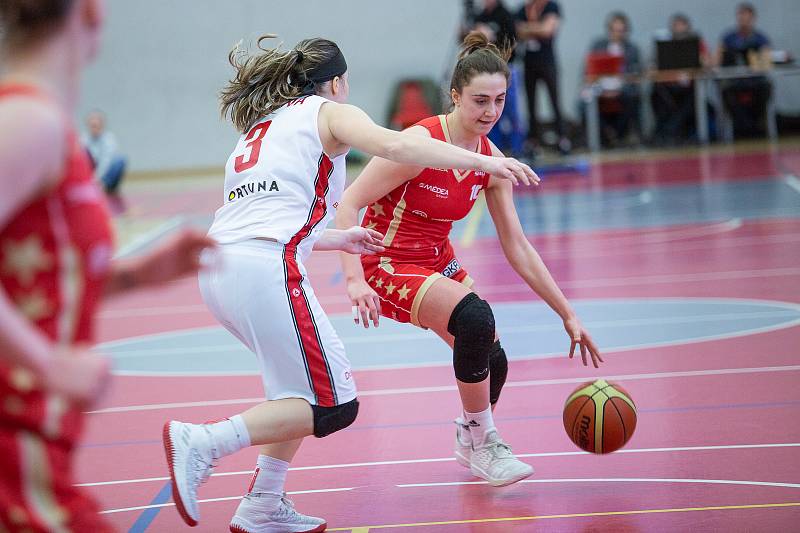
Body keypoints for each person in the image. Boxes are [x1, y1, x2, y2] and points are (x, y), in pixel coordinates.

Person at [161, 34, 536, 532]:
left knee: (294, 395)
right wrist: (488, 161)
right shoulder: (329, 111)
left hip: (222, 269)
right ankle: (203, 442)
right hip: (264, 269)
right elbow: (402, 143)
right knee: (334, 403)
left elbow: (265, 216)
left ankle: (263, 503)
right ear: (336, 82)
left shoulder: (265, 126)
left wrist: (340, 240)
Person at [336, 32, 601, 491]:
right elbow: (348, 203)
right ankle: (483, 442)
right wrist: (353, 278)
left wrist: (568, 313)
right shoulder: (418, 144)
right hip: (386, 260)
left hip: (437, 260)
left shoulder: (491, 161)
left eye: (499, 100)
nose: (490, 112)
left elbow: (517, 246)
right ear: (455, 95)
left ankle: (469, 433)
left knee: (492, 355)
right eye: (479, 100)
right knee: (476, 320)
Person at [0, 1, 216, 531]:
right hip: (15, 447)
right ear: (91, 12)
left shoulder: (46, 122)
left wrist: (136, 275)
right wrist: (48, 364)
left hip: (38, 448)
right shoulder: (28, 121)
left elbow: (35, 282)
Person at [463, 0, 525, 157]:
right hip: (486, 71)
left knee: (511, 111)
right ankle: (492, 149)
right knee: (488, 113)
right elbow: (468, 42)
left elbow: (513, 39)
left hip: (506, 68)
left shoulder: (505, 14)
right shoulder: (479, 15)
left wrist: (492, 36)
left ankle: (518, 148)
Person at [515, 0, 571, 155]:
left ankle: (562, 138)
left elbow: (548, 30)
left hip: (547, 61)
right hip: (529, 61)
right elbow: (517, 31)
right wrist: (538, 28)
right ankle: (533, 140)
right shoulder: (523, 9)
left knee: (554, 100)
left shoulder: (551, 6)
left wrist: (528, 28)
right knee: (531, 102)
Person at [650, 13, 711, 145]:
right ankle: (663, 132)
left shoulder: (696, 43)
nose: (679, 28)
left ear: (687, 27)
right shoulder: (665, 44)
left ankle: (669, 130)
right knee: (655, 93)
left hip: (690, 85)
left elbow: (707, 63)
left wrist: (702, 60)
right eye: (676, 25)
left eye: (682, 25)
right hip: (669, 85)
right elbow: (654, 65)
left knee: (692, 98)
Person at [717, 2, 772, 137]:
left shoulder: (760, 38)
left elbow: (766, 63)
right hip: (734, 81)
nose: (744, 21)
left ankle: (755, 127)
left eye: (747, 17)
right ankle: (744, 129)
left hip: (755, 80)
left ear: (753, 18)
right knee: (727, 92)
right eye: (741, 17)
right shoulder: (728, 38)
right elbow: (717, 61)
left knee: (766, 88)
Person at [586, 11, 642, 146]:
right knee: (583, 103)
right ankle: (607, 133)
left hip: (622, 87)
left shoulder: (632, 49)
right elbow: (588, 71)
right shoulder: (598, 46)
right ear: (609, 30)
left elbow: (635, 73)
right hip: (600, 87)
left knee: (633, 97)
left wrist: (620, 87)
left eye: (621, 30)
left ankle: (618, 134)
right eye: (614, 30)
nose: (617, 33)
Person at [82, 109, 127, 204]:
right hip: (90, 172)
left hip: (104, 174)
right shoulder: (83, 139)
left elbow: (106, 161)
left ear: (102, 125)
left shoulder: (109, 139)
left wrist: (98, 180)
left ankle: (106, 187)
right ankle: (90, 186)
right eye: (92, 125)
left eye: (97, 125)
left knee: (120, 160)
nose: (94, 127)